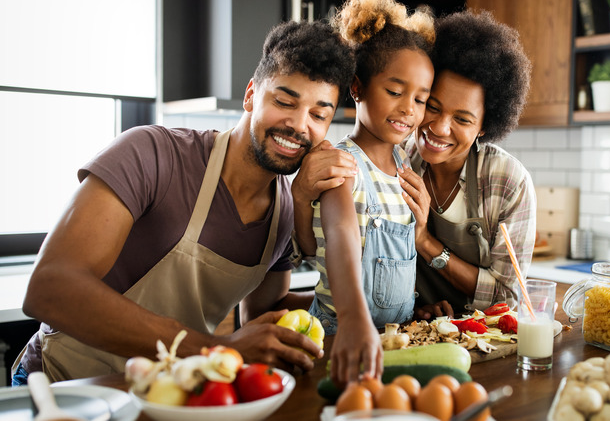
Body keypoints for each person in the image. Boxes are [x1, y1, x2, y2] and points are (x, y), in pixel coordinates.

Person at [12, 20, 356, 385]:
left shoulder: (285, 210)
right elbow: (50, 289)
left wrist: (362, 300)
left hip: (168, 394)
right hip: (66, 385)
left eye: (319, 115)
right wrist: (213, 348)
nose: (299, 125)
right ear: (252, 95)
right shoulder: (153, 154)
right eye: (284, 101)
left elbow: (264, 313)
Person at [293, 0, 435, 385]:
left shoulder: (405, 165)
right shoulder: (341, 163)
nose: (409, 108)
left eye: (421, 99)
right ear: (356, 87)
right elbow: (340, 235)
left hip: (394, 340)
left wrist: (414, 307)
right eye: (395, 91)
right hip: (343, 337)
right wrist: (356, 320)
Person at [397, 10, 536, 319]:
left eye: (462, 119)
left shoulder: (508, 181)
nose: (440, 128)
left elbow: (509, 297)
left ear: (484, 127)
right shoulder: (397, 159)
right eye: (432, 107)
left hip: (485, 337)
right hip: (413, 330)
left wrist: (425, 242)